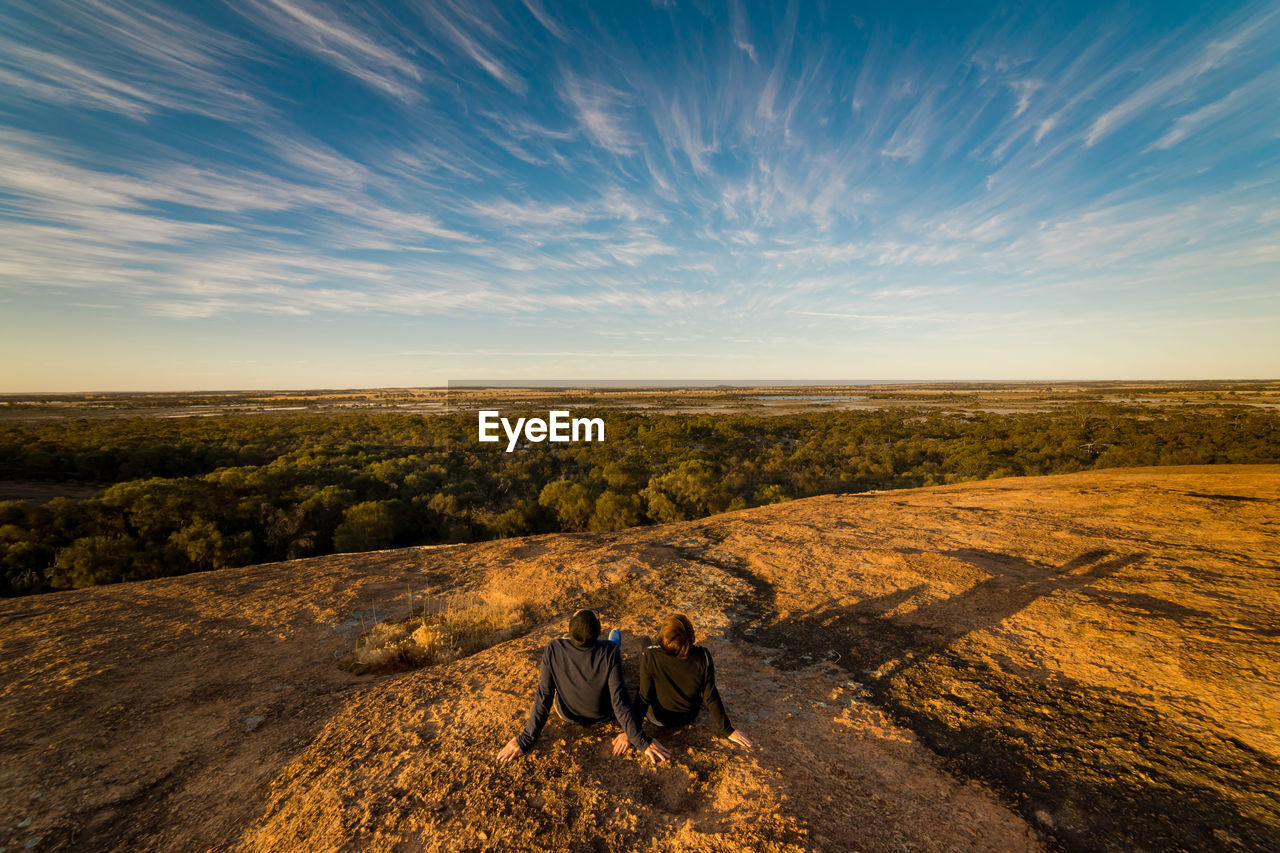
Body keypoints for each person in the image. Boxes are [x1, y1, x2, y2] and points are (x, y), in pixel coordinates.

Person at [496, 609, 670, 764]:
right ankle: (614, 640)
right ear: (599, 632)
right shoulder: (609, 652)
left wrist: (525, 739)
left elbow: (544, 696)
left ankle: (585, 640)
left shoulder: (553, 648)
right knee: (613, 646)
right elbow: (620, 702)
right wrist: (640, 740)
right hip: (603, 714)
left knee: (573, 647)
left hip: (568, 713)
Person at [616, 613, 753, 754]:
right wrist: (727, 730)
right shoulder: (703, 656)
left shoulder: (650, 657)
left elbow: (643, 698)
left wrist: (630, 732)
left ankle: (651, 644)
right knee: (648, 649)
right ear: (691, 637)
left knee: (646, 647)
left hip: (658, 719)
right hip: (689, 716)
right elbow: (710, 696)